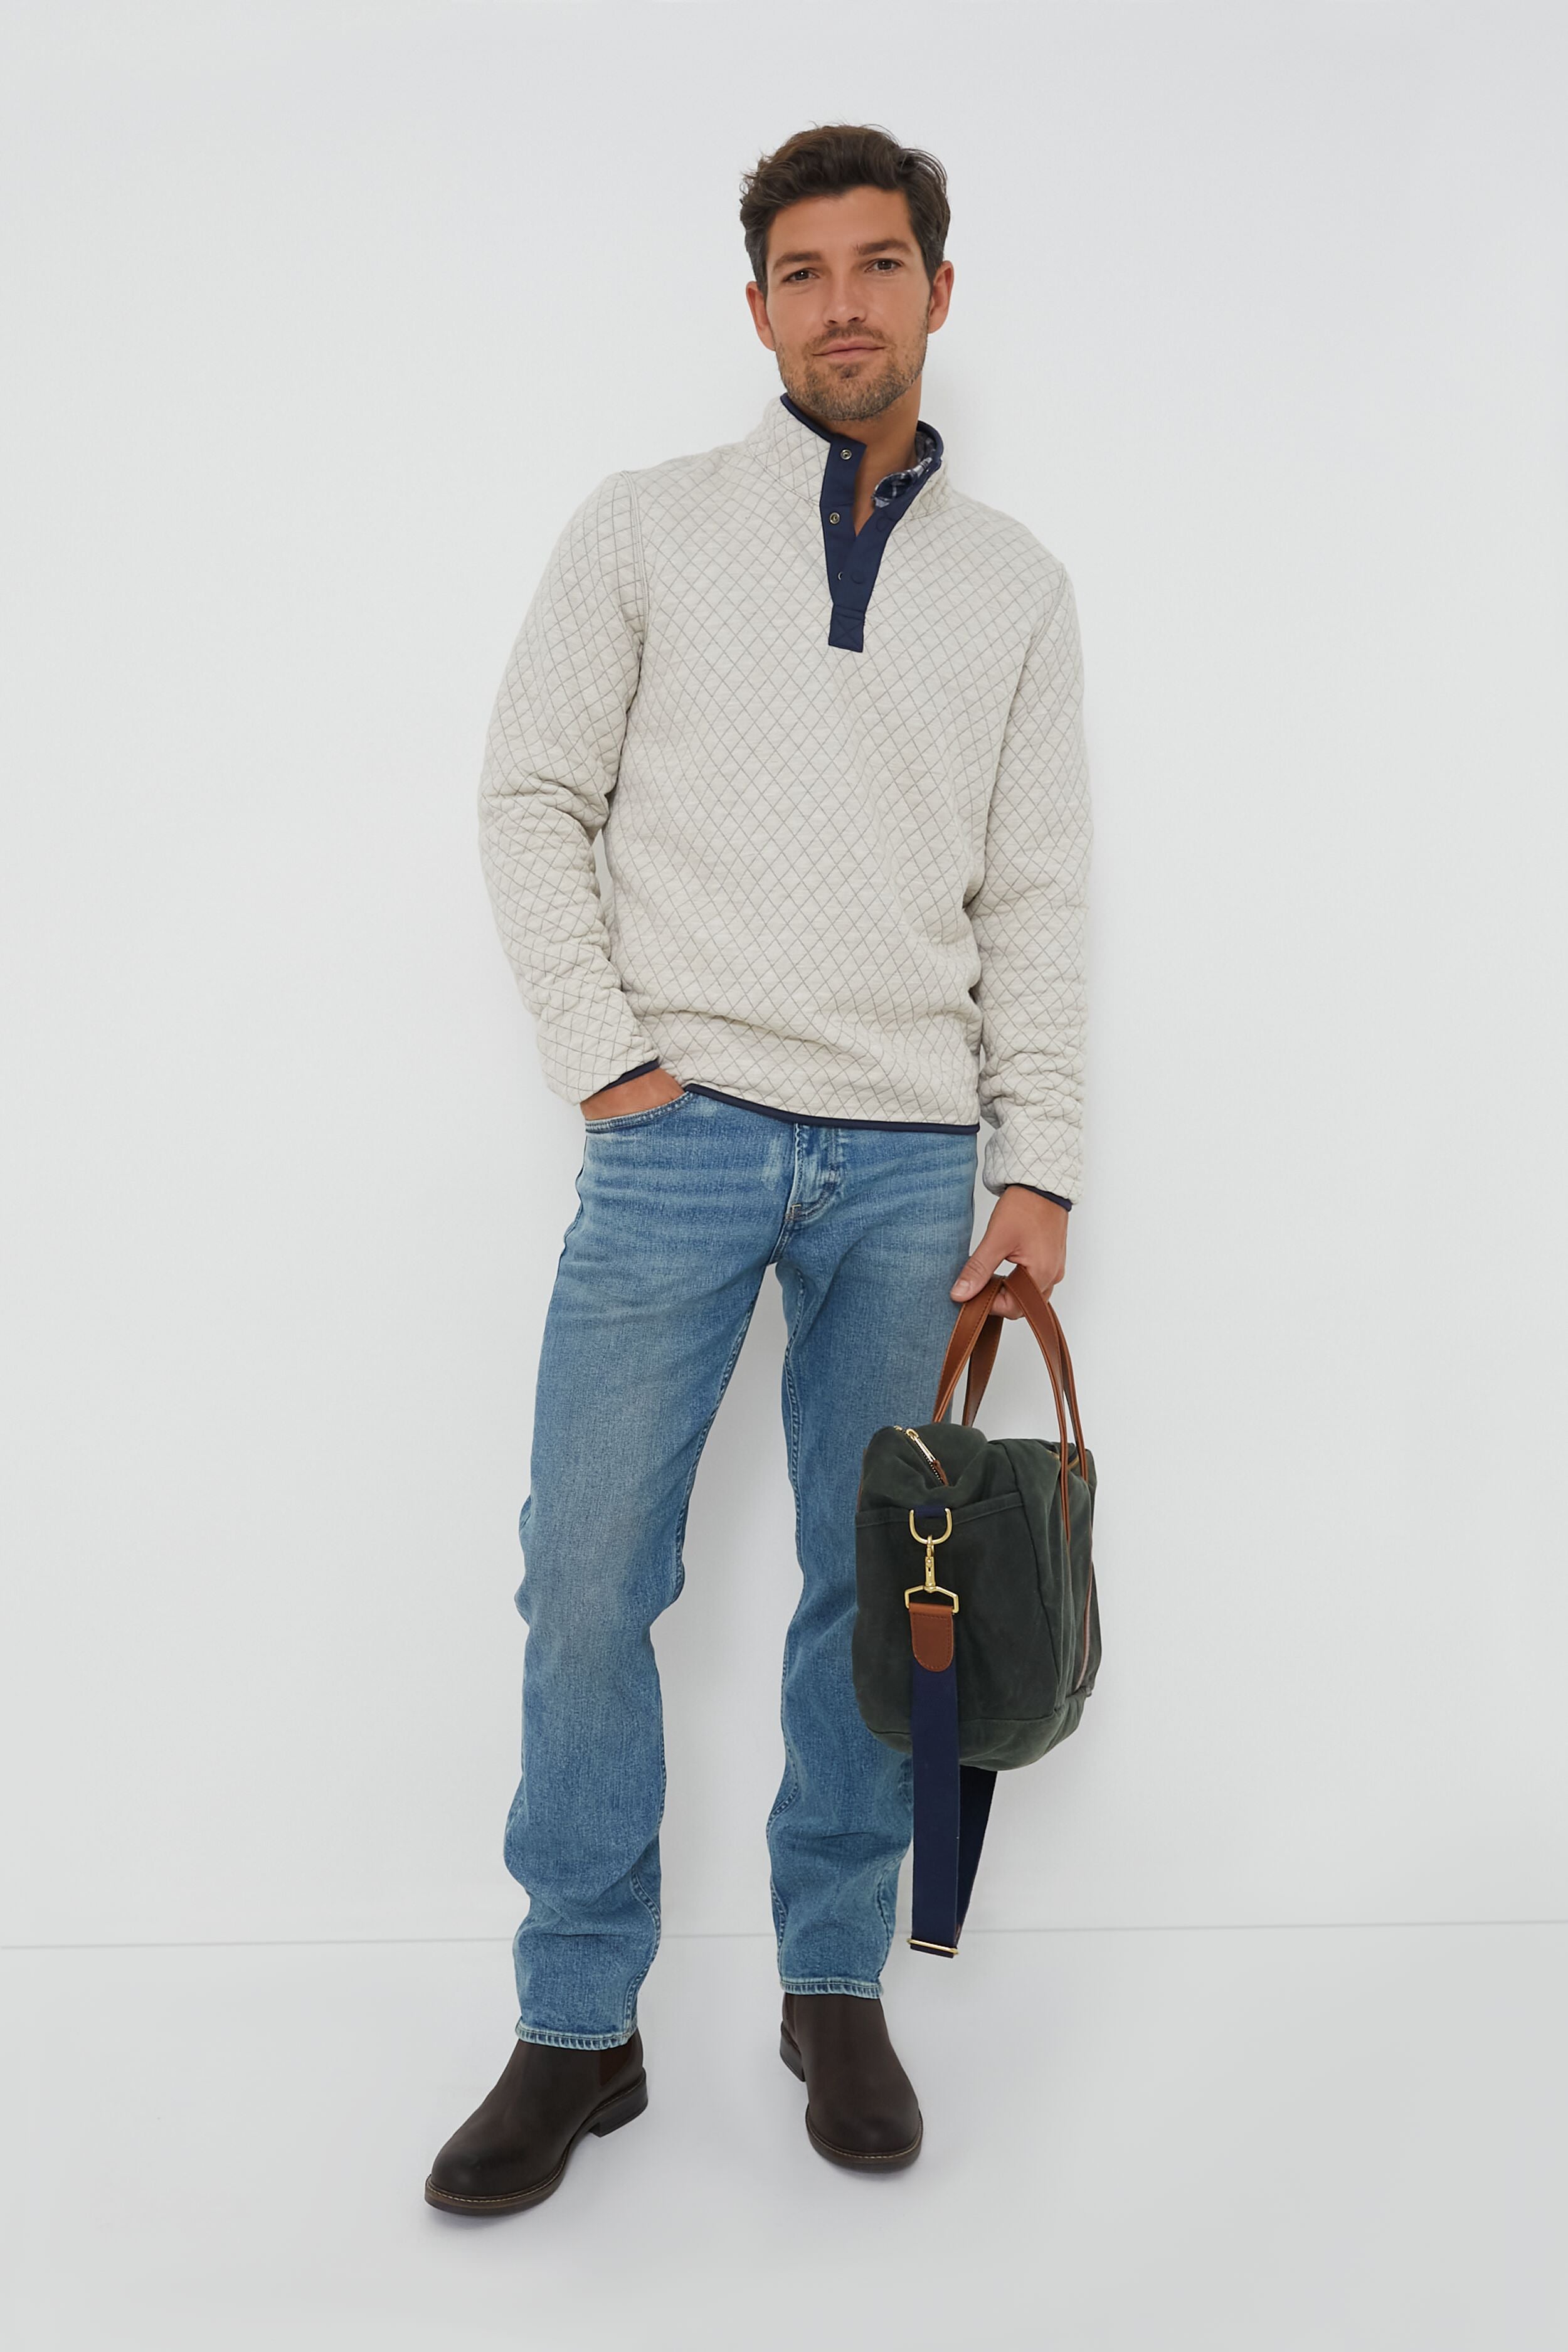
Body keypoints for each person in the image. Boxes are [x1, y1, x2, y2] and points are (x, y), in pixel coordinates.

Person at [425, 121, 1091, 2213]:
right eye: (802, 273)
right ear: (757, 309)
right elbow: (530, 794)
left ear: (936, 292)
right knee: (586, 1580)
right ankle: (576, 2021)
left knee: (872, 1594)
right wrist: (610, 1065)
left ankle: (830, 1986)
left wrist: (1039, 1162)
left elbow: (1037, 892)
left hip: (912, 1162)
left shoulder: (1014, 588)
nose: (841, 304)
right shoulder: (643, 526)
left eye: (877, 264)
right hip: (680, 1139)